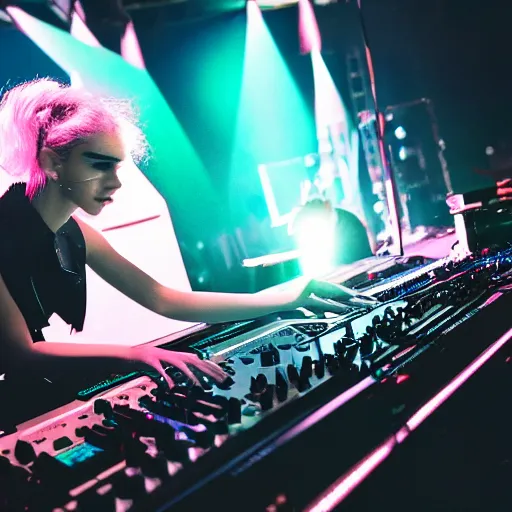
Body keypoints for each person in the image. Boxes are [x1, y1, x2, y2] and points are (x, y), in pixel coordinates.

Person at [0, 78, 375, 399]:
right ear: (52, 163)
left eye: (117, 167)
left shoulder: (76, 234)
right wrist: (135, 354)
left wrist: (283, 297)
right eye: (99, 165)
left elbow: (163, 298)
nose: (115, 182)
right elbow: (23, 352)